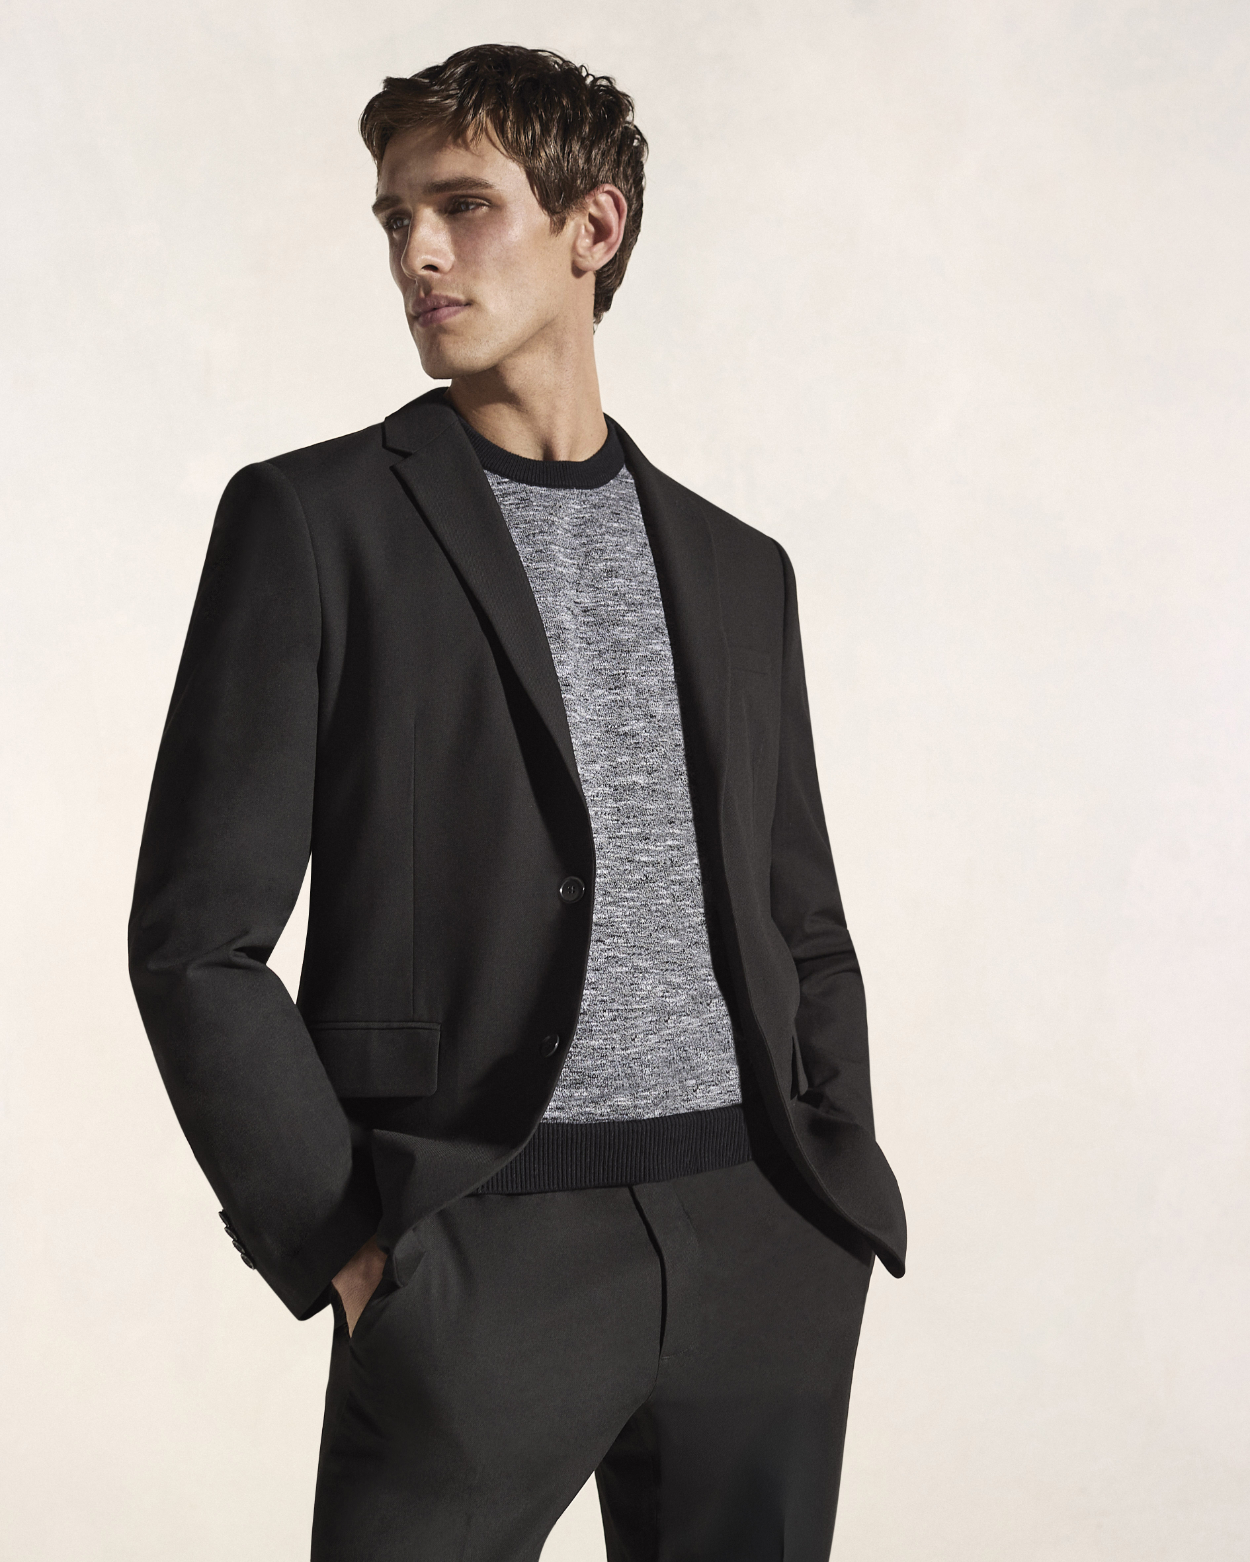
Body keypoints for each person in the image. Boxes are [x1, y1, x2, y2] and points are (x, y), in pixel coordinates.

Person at [128, 42, 906, 1562]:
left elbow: (800, 916)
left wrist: (827, 1173)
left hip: (758, 1239)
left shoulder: (739, 569)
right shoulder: (313, 524)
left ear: (590, 226)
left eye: (463, 206)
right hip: (476, 1249)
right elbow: (197, 941)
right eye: (394, 218)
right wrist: (348, 1245)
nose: (417, 252)